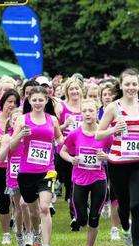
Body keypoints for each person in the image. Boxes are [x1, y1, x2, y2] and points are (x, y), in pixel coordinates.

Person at [96, 68, 139, 246]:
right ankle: (125, 229)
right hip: (118, 164)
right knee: (123, 206)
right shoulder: (113, 108)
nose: (131, 88)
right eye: (128, 84)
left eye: (134, 84)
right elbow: (98, 134)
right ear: (121, 85)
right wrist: (113, 129)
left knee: (136, 206)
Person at [10, 86, 63, 246]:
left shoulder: (52, 119)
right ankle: (36, 232)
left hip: (47, 170)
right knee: (32, 211)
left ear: (46, 100)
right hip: (26, 172)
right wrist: (21, 135)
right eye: (34, 100)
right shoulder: (22, 119)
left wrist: (68, 145)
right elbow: (12, 144)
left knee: (44, 207)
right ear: (29, 101)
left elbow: (59, 139)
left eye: (41, 100)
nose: (38, 103)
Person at [60, 100, 112, 246]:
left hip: (99, 179)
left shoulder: (104, 134)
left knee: (94, 218)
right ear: (81, 114)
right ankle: (80, 218)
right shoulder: (75, 134)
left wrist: (106, 157)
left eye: (91, 110)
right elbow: (62, 151)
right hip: (80, 180)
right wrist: (71, 159)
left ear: (97, 112)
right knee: (82, 219)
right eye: (85, 111)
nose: (88, 114)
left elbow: (116, 153)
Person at [0, 90, 20, 245]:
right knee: (3, 200)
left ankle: (20, 226)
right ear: (2, 102)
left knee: (19, 200)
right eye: (9, 101)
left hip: (18, 166)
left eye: (14, 102)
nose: (11, 105)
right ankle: (6, 233)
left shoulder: (21, 120)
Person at [0, 108, 32, 246]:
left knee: (27, 205)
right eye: (14, 120)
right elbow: (0, 158)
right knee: (18, 208)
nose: (17, 123)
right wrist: (11, 141)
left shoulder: (30, 135)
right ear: (11, 123)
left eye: (20, 120)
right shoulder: (7, 137)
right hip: (14, 176)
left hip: (29, 174)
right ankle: (19, 234)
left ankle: (30, 232)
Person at [55, 77, 84, 230]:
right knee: (71, 186)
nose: (74, 91)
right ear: (66, 91)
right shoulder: (61, 107)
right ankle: (75, 216)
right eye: (71, 89)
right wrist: (64, 125)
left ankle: (78, 215)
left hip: (84, 152)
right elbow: (53, 129)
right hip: (65, 153)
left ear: (81, 90)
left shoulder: (86, 106)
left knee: (80, 185)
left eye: (76, 88)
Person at [97, 82, 121, 241]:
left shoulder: (121, 110)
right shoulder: (97, 113)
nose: (107, 97)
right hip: (102, 156)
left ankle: (121, 221)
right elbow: (97, 136)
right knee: (107, 189)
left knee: (120, 192)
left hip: (121, 154)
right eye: (104, 94)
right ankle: (114, 226)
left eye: (110, 94)